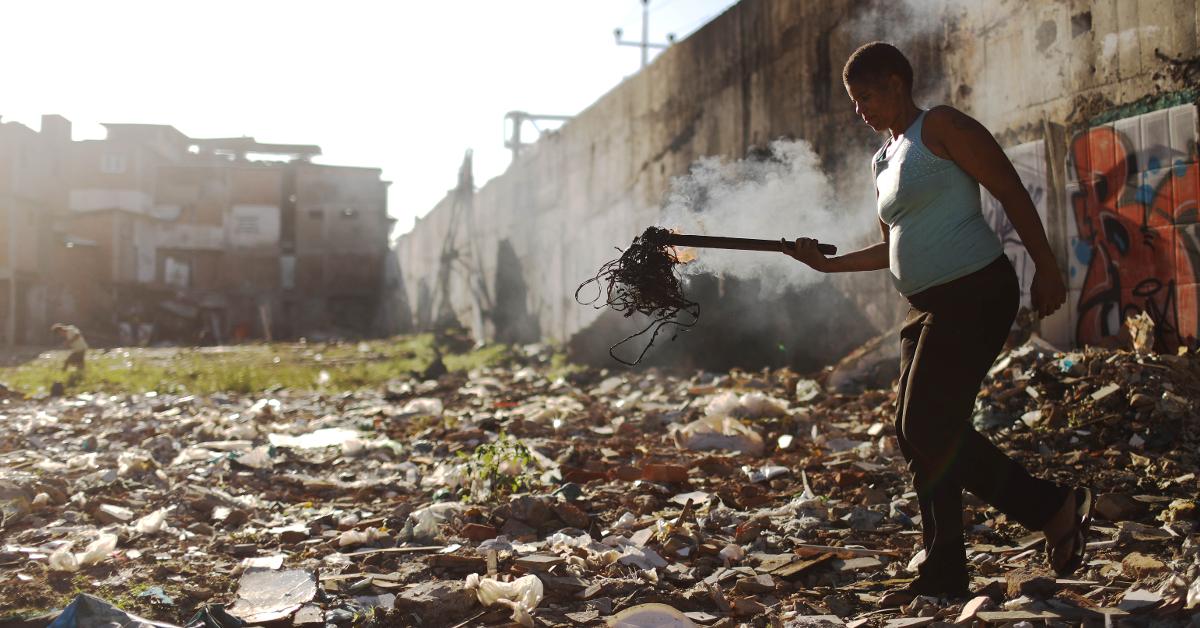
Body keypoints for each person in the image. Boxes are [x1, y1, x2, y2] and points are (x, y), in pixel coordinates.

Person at [782, 42, 1091, 604]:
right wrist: (826, 264)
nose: (861, 110)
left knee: (927, 427)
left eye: (867, 96)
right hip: (926, 305)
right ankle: (946, 571)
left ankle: (1051, 507)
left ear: (898, 83)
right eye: (854, 101)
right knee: (916, 433)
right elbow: (889, 249)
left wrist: (1046, 265)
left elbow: (1010, 190)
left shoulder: (941, 127)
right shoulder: (883, 159)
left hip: (975, 291)